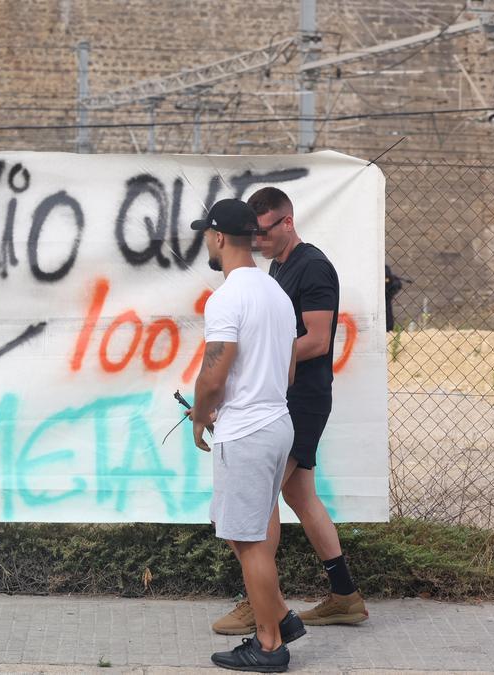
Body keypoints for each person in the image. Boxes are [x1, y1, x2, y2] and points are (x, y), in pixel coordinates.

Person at [207, 187, 367, 637]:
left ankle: (262, 606)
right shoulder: (277, 268)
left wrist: (262, 357)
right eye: (252, 234)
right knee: (300, 496)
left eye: (264, 231)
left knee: (260, 501)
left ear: (288, 222)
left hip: (301, 397)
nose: (256, 242)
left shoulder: (312, 266)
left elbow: (317, 339)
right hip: (285, 393)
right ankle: (345, 596)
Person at [189, 198, 304, 672]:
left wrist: (201, 414)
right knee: (242, 535)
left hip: (247, 431)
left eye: (205, 236)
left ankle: (270, 644)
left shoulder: (227, 297)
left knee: (250, 541)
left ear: (217, 237)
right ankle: (279, 616)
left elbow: (213, 373)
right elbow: (291, 369)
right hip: (277, 423)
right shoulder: (275, 292)